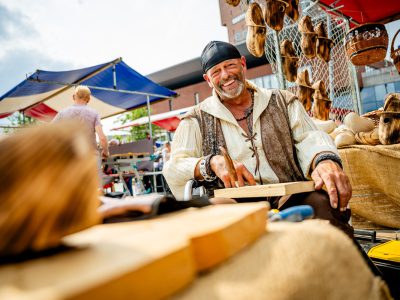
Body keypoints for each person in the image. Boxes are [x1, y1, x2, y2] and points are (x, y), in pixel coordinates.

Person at [163, 41, 353, 236]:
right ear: (208, 80)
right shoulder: (195, 118)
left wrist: (323, 159)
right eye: (216, 72)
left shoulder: (282, 100)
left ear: (243, 64)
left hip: (290, 196)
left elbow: (309, 137)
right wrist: (210, 163)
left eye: (230, 65)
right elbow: (174, 167)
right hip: (235, 203)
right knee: (209, 218)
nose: (226, 75)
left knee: (326, 204)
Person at [52, 85, 109, 160]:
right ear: (89, 99)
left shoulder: (63, 113)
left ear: (73, 97)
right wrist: (105, 152)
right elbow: (102, 138)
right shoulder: (94, 113)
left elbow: (49, 132)